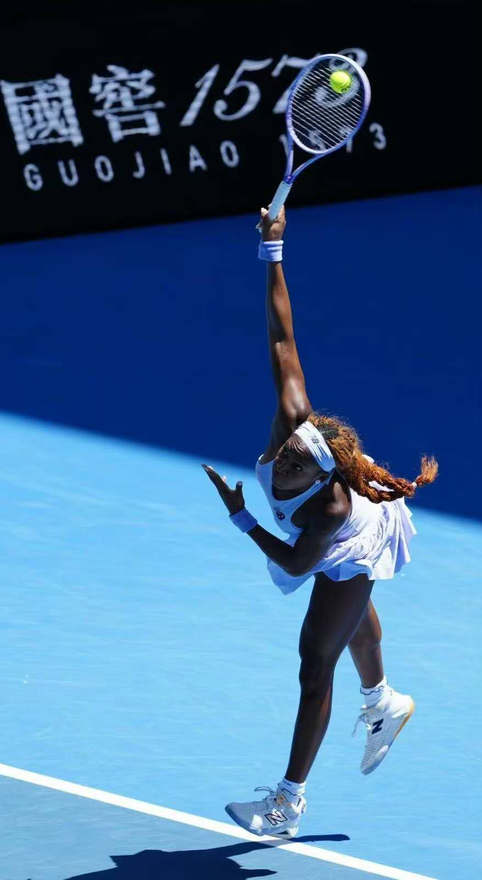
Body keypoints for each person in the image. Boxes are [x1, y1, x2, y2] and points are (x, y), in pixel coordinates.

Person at [202, 207, 438, 838]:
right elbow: (283, 337)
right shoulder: (293, 418)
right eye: (287, 453)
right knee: (348, 611)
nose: (282, 463)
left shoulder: (329, 511)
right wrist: (273, 249)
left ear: (320, 476)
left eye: (295, 466)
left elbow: (297, 562)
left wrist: (242, 516)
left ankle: (287, 804)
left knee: (315, 660)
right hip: (333, 535)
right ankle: (384, 702)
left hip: (355, 539)